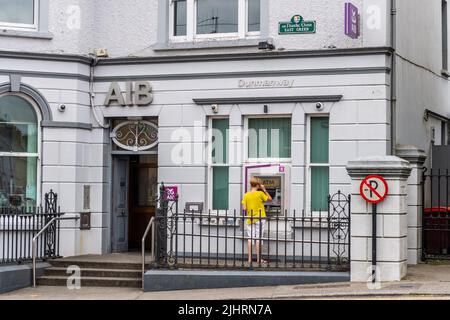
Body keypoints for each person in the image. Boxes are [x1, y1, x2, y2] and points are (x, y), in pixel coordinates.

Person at [241, 177, 273, 265]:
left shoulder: (246, 195)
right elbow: (270, 199)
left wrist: (249, 210)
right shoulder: (260, 193)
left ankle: (249, 259)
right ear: (258, 185)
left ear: (251, 184)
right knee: (259, 238)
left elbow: (244, 208)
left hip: (250, 218)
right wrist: (264, 190)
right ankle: (259, 259)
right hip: (260, 218)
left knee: (250, 238)